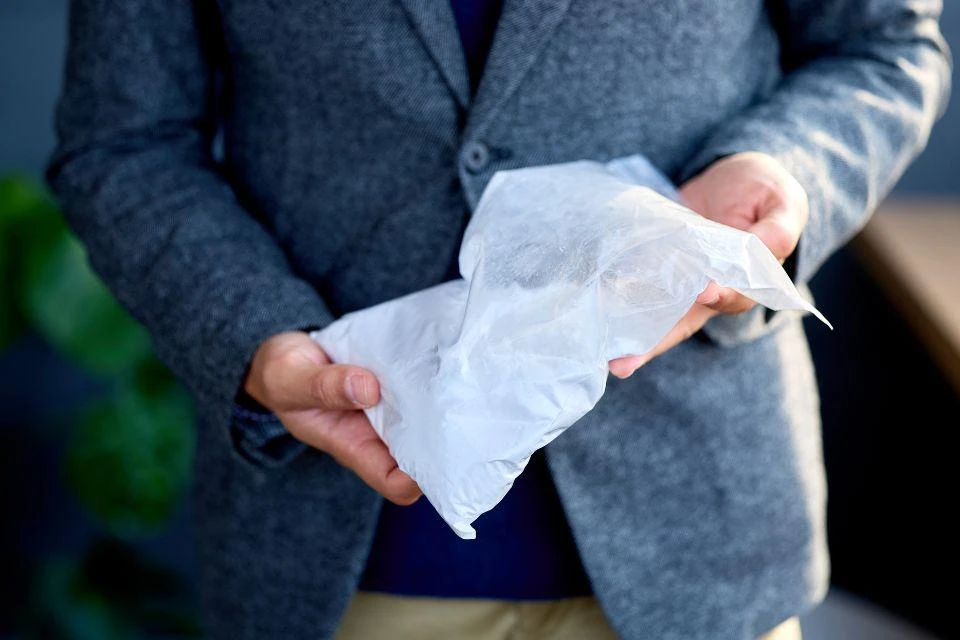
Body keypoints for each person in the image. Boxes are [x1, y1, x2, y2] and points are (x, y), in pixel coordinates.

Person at [47, 0, 950, 638]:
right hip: (334, 555)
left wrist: (782, 168)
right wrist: (253, 334)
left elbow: (883, 46)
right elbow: (123, 142)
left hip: (700, 540)